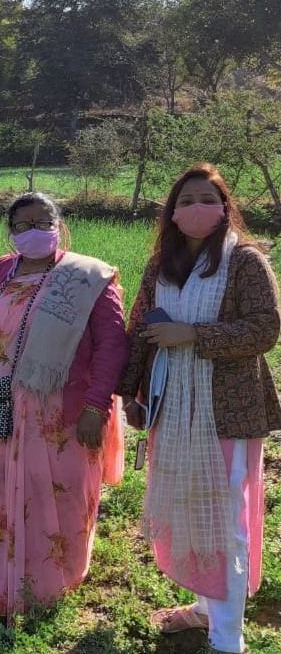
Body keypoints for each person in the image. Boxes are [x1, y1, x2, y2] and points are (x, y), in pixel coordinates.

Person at [118, 162, 280, 654]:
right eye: (184, 201)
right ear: (170, 213)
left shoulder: (245, 261)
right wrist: (130, 392)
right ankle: (204, 607)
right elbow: (140, 328)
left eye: (206, 199)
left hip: (227, 410)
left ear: (225, 207)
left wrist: (192, 334)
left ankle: (227, 638)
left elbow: (265, 329)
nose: (195, 209)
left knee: (225, 519)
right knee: (191, 511)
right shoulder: (160, 266)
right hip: (172, 406)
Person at [0, 192, 127, 619]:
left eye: (42, 220)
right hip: (5, 406)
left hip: (62, 413)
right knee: (9, 493)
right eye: (22, 224)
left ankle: (57, 581)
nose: (33, 230)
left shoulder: (87, 277)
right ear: (11, 232)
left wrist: (95, 407)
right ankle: (5, 580)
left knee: (62, 494)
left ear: (58, 223)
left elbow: (111, 346)